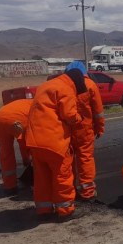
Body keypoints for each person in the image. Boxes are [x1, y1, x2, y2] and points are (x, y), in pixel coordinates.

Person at [25, 68, 85, 221]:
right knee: (62, 175)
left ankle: (43, 209)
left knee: (42, 178)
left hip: (34, 141)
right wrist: (79, 119)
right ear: (76, 82)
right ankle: (65, 211)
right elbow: (70, 115)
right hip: (54, 141)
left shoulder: (46, 86)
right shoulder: (66, 89)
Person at [64, 61, 105, 201]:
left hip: (66, 130)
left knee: (68, 161)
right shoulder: (90, 85)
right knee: (85, 159)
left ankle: (69, 190)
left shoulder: (64, 85)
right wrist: (100, 128)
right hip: (85, 129)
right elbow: (98, 111)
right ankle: (87, 192)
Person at [0, 98, 33, 193]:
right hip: (16, 120)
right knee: (29, 146)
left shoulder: (25, 102)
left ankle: (9, 186)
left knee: (6, 153)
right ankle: (34, 178)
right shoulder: (38, 106)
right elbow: (26, 145)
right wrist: (27, 161)